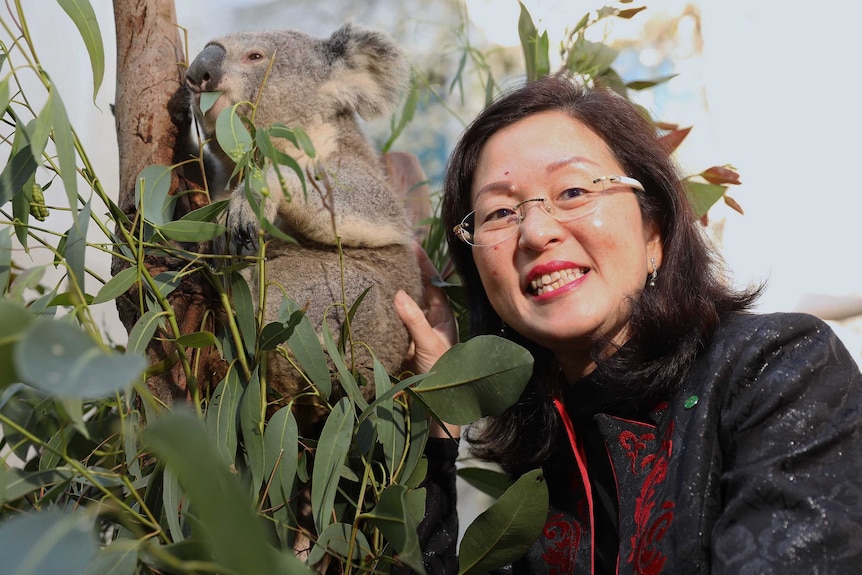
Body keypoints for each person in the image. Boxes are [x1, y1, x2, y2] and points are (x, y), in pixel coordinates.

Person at [394, 74, 862, 574]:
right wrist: (443, 406)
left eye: (572, 190)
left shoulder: (776, 370)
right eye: (500, 212)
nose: (535, 230)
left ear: (653, 232)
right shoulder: (530, 464)